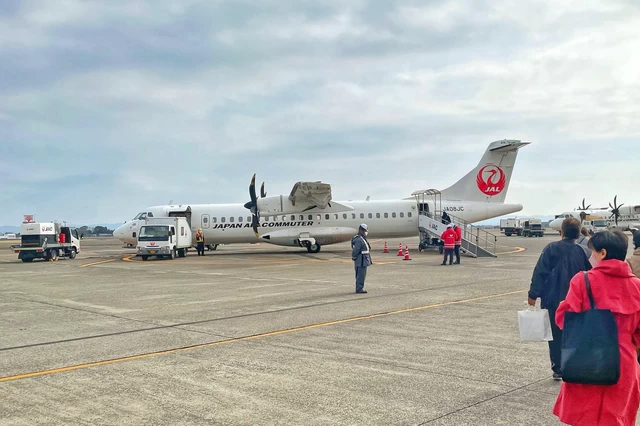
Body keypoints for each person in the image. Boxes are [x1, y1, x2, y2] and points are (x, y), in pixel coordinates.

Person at [553, 230, 640, 425]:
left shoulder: (582, 280)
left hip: (587, 357)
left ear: (602, 253)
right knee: (616, 417)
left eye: (593, 252)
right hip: (623, 362)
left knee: (585, 416)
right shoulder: (637, 286)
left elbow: (564, 322)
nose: (591, 256)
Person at [528, 217, 592, 380]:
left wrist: (533, 294)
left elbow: (540, 272)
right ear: (578, 234)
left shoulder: (551, 248)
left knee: (555, 335)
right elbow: (591, 275)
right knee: (574, 333)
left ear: (562, 232)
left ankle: (557, 368)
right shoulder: (583, 251)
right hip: (577, 300)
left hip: (554, 299)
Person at [351, 224, 372, 294]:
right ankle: (359, 288)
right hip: (361, 260)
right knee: (360, 275)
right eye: (365, 231)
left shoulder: (362, 238)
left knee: (361, 274)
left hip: (363, 259)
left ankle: (359, 287)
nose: (366, 232)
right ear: (361, 230)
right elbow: (356, 250)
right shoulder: (358, 239)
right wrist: (354, 257)